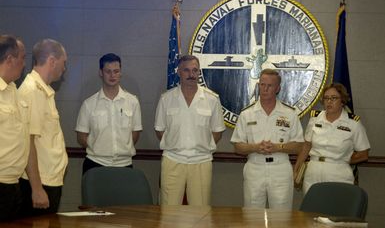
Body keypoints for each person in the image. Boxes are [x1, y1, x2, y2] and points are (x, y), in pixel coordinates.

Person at [154, 55, 226, 206]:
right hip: (172, 160)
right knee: (168, 209)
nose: (191, 74)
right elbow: (160, 130)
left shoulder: (212, 99)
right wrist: (175, 144)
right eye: (186, 70)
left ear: (199, 72)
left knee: (200, 211)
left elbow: (217, 131)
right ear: (179, 72)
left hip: (201, 161)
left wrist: (203, 145)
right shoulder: (166, 99)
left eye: (195, 70)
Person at [231, 68, 304, 209]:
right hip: (254, 167)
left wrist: (278, 147)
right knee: (252, 215)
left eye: (270, 86)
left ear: (278, 88)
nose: (265, 89)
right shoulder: (247, 114)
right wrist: (255, 147)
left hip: (280, 169)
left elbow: (299, 146)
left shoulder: (290, 114)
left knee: (281, 216)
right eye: (262, 85)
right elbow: (237, 147)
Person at [18, 39, 68, 216]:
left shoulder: (43, 90)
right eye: (64, 63)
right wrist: (37, 189)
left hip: (48, 180)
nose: (64, 69)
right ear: (52, 61)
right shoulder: (33, 91)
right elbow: (28, 143)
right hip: (40, 183)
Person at [294, 83, 370, 194]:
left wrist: (344, 160)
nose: (329, 101)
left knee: (336, 208)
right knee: (311, 208)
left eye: (334, 98)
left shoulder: (353, 123)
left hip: (338, 172)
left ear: (342, 101)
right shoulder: (315, 118)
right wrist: (296, 169)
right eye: (326, 98)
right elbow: (306, 146)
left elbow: (364, 154)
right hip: (313, 170)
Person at [75, 53, 142, 174]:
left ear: (120, 72)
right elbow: (81, 136)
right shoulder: (88, 104)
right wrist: (98, 148)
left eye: (116, 71)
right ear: (101, 73)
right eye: (108, 71)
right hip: (95, 164)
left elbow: (135, 133)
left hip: (124, 165)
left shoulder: (132, 102)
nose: (112, 75)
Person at [0, 35, 28, 221]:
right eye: (22, 58)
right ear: (9, 59)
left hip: (13, 183)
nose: (24, 64)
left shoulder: (12, 90)